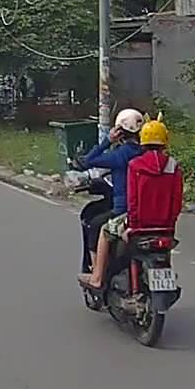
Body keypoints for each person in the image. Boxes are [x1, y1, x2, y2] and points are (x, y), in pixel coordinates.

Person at [78, 108, 146, 290]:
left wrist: (108, 140)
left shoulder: (120, 155)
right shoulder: (148, 155)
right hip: (147, 212)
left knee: (96, 225)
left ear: (120, 132)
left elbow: (88, 161)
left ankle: (97, 275)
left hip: (124, 211)